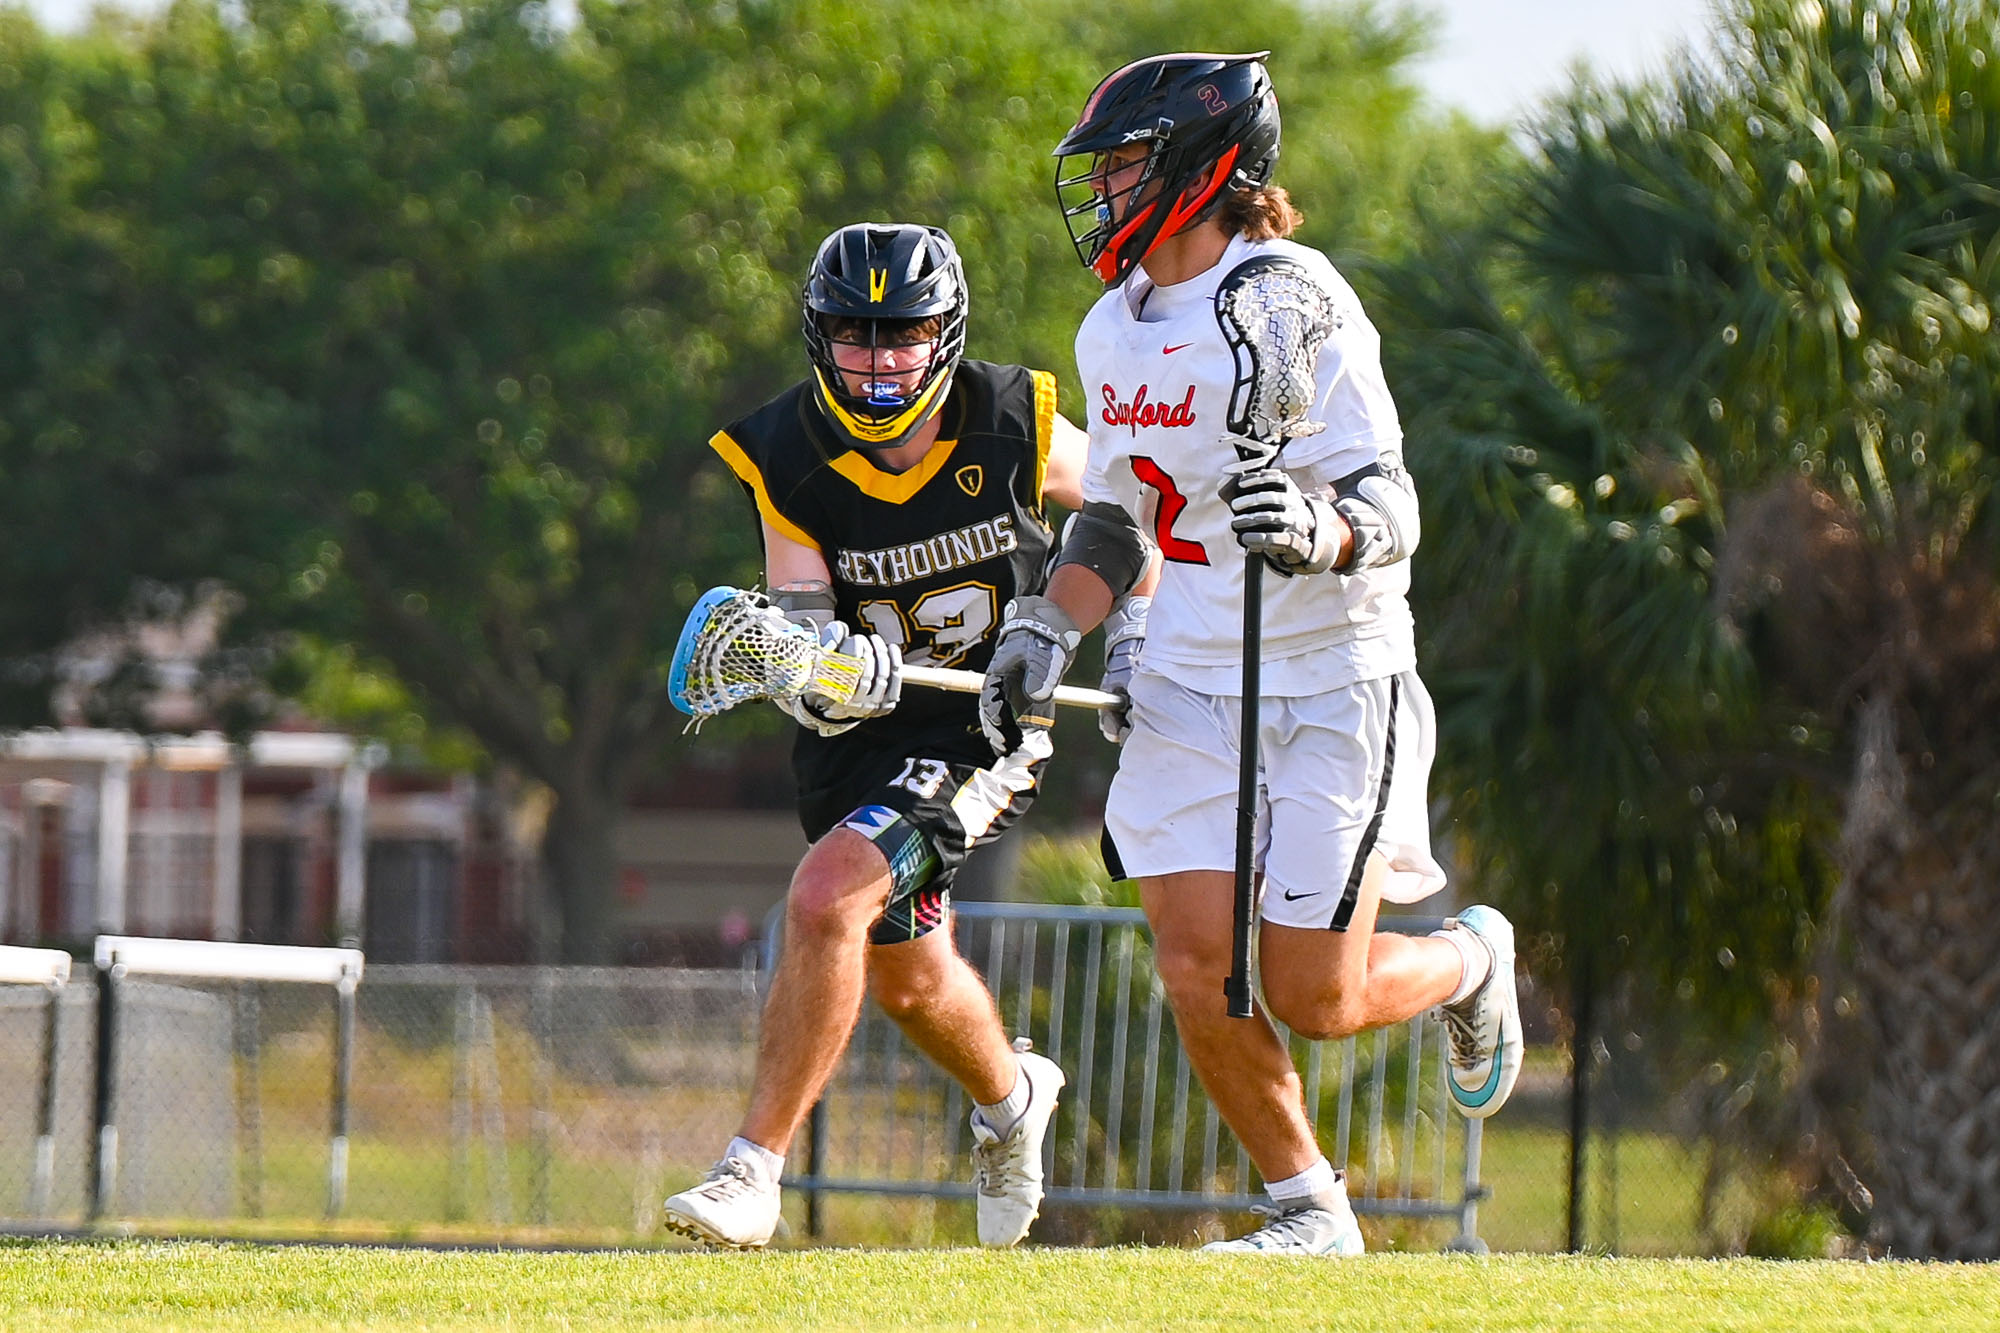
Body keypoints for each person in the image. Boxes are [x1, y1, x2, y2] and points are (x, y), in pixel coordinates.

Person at [979, 52, 1524, 1256]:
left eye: (1124, 164)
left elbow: (1390, 501)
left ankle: (1467, 959)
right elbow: (1114, 523)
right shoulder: (1109, 327)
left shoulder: (1294, 296)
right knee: (1192, 963)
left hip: (1330, 675)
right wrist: (1046, 624)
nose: (1103, 191)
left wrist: (1321, 531)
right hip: (1188, 674)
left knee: (1313, 998)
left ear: (1200, 164)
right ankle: (1308, 1209)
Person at [665, 221, 1096, 1250]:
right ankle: (1011, 1098)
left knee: (825, 898)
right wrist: (823, 669)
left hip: (981, 730)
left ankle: (750, 1170)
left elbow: (1135, 515)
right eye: (854, 333)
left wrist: (1104, 632)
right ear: (819, 335)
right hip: (860, 743)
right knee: (909, 979)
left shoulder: (1015, 416)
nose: (877, 358)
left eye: (900, 332)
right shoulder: (784, 449)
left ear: (945, 332)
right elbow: (802, 618)